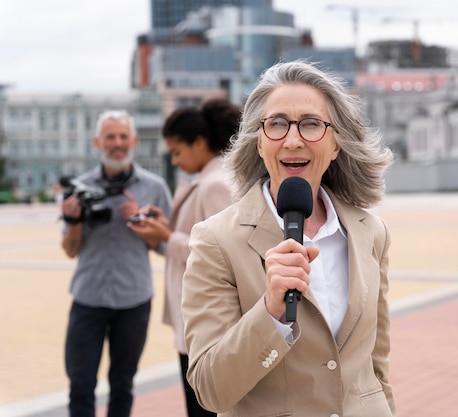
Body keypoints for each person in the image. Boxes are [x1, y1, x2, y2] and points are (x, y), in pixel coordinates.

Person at [182, 60, 397, 416]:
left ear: (335, 144)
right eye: (277, 124)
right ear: (259, 143)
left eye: (311, 124)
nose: (293, 140)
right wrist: (270, 313)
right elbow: (210, 389)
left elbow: (377, 366)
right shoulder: (215, 241)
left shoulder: (370, 231)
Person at [127, 97, 240, 417]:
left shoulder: (215, 184)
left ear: (199, 143)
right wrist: (165, 228)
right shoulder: (206, 180)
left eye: (177, 151)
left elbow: (224, 253)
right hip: (198, 318)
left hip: (205, 320)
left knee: (203, 407)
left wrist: (166, 237)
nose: (174, 161)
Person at [60, 110, 173, 417]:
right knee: (80, 383)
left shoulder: (154, 187)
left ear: (134, 141)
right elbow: (70, 250)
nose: (117, 143)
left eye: (123, 136)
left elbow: (167, 245)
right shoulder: (78, 187)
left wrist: (141, 222)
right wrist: (73, 221)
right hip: (88, 298)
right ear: (98, 142)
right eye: (110, 136)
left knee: (122, 383)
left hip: (134, 300)